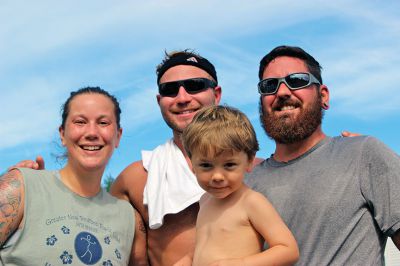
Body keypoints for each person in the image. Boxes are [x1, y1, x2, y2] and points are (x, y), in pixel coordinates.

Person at [245, 45, 400, 265]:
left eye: (297, 80)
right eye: (269, 86)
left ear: (323, 95)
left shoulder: (363, 154)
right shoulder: (245, 184)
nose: (282, 92)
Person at [0, 87, 143, 265]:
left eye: (103, 123)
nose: (92, 133)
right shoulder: (21, 187)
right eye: (80, 122)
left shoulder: (129, 219)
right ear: (62, 134)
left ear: (118, 136)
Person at [178, 105, 298, 266]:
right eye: (206, 166)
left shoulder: (251, 202)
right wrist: (187, 260)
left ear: (249, 161)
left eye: (229, 165)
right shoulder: (205, 200)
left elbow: (288, 250)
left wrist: (240, 263)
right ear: (192, 163)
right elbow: (204, 245)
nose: (217, 176)